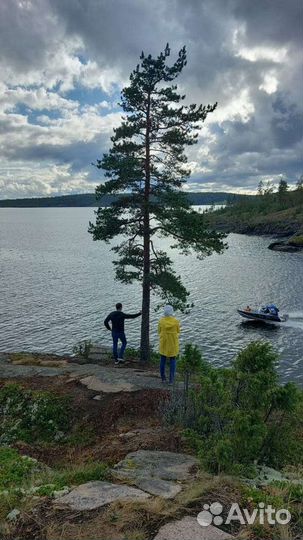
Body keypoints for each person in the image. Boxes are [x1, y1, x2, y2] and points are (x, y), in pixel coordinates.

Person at [158, 305, 180, 384]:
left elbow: (159, 331)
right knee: (173, 360)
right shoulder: (175, 321)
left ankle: (163, 378)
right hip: (172, 343)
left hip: (164, 343)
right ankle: (171, 380)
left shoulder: (161, 321)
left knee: (162, 360)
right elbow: (178, 331)